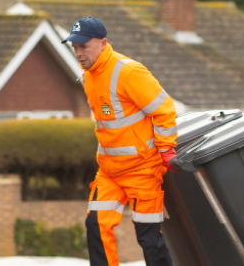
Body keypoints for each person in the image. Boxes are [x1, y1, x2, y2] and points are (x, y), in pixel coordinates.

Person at [65, 17, 178, 266]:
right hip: (110, 172)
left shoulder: (128, 71)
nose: (78, 53)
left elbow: (164, 109)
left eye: (84, 46)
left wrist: (167, 148)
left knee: (149, 240)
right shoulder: (88, 76)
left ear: (103, 43)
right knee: (96, 225)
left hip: (142, 170)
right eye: (74, 47)